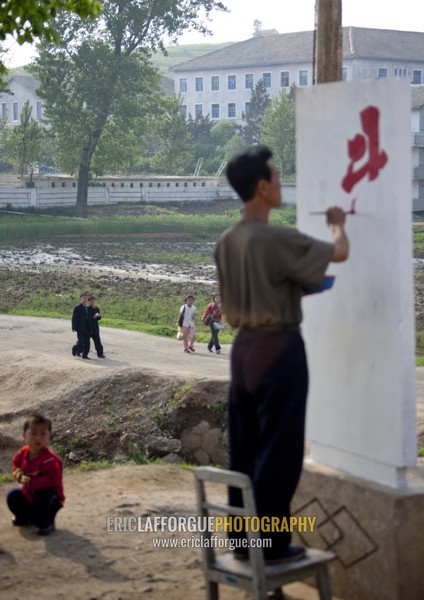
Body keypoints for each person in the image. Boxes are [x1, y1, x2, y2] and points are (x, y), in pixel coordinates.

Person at [214, 146, 349, 563]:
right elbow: (339, 253)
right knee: (280, 448)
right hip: (279, 348)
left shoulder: (227, 241)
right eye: (276, 176)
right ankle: (272, 545)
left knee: (245, 445)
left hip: (244, 350)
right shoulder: (276, 237)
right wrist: (337, 226)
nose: (280, 183)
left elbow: (241, 292)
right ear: (261, 186)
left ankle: (240, 539)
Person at [7, 413, 65, 535]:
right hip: (30, 494)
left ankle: (46, 522)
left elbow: (51, 480)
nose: (38, 438)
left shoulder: (49, 459)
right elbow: (16, 465)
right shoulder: (23, 453)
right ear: (24, 435)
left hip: (50, 497)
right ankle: (27, 517)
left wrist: (31, 482)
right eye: (33, 433)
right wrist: (19, 475)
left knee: (42, 496)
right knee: (13, 496)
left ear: (49, 437)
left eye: (43, 434)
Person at [71, 293, 90, 359]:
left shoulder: (88, 308)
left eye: (86, 298)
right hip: (80, 327)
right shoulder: (77, 308)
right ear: (80, 299)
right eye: (83, 298)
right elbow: (74, 318)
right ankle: (75, 348)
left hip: (87, 328)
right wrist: (74, 327)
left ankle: (85, 355)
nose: (85, 299)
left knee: (87, 342)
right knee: (81, 340)